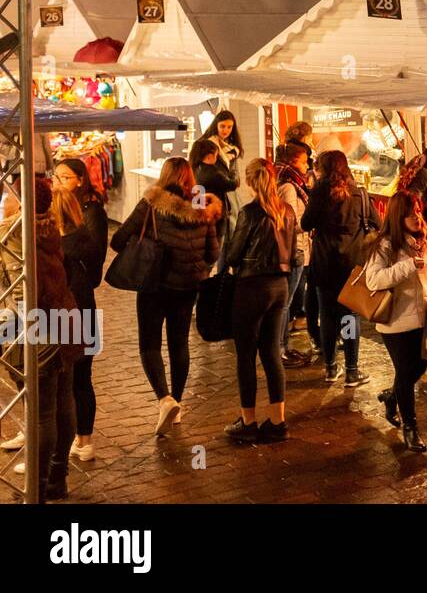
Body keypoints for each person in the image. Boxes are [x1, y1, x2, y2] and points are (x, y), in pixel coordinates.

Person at [110, 156, 222, 436]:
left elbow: (117, 239)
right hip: (187, 287)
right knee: (179, 343)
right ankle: (178, 405)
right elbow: (213, 254)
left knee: (149, 344)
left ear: (165, 175)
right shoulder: (203, 207)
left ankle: (164, 399)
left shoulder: (151, 203)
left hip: (153, 284)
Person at [363, 190, 427, 452]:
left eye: (418, 209)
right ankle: (410, 428)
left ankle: (392, 397)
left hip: (423, 317)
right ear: (397, 215)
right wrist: (409, 266)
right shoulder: (385, 245)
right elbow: (374, 280)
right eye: (410, 212)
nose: (416, 216)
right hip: (395, 321)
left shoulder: (425, 239)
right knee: (406, 371)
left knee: (420, 367)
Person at [223, 159, 297, 444]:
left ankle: (249, 420)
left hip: (252, 287)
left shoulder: (250, 213)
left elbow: (232, 256)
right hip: (280, 286)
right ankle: (278, 421)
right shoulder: (286, 211)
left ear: (251, 181)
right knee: (270, 352)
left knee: (245, 356)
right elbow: (291, 251)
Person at [301, 149, 380, 385]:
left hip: (324, 263)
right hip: (352, 266)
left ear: (323, 168)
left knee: (326, 315)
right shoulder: (360, 195)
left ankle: (330, 367)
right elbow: (378, 224)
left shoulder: (319, 193)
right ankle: (352, 370)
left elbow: (306, 224)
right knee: (349, 316)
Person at [52, 158, 108, 463]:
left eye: (65, 177)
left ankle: (80, 440)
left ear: (80, 180)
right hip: (77, 306)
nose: (59, 182)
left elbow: (94, 264)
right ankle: (73, 440)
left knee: (76, 377)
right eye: (56, 176)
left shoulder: (88, 219)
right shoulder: (66, 234)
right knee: (68, 378)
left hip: (76, 306)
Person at [31, 178, 81, 501]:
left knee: (44, 411)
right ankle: (58, 476)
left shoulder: (25, 238)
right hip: (67, 317)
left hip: (44, 324)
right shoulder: (52, 231)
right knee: (65, 400)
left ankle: (37, 485)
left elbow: (34, 290)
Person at [274, 143, 313, 367]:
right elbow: (290, 222)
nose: (306, 164)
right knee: (285, 303)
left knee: (286, 302)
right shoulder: (289, 186)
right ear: (291, 162)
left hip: (295, 248)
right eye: (302, 160)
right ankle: (280, 348)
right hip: (294, 249)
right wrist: (310, 224)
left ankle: (282, 346)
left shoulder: (291, 182)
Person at [190, 138, 239, 245]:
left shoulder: (193, 170)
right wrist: (233, 173)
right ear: (209, 156)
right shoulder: (213, 173)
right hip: (215, 216)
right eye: (216, 156)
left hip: (199, 215)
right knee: (216, 247)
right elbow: (232, 184)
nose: (217, 159)